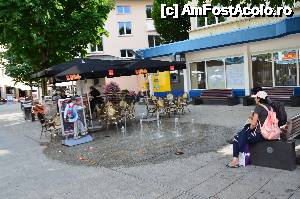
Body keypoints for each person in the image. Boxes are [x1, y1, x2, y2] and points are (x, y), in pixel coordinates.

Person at [227, 91, 271, 168]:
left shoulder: (258, 107)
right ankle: (235, 159)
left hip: (260, 134)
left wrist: (248, 129)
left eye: (256, 98)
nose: (255, 99)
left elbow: (253, 124)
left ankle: (235, 161)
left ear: (259, 99)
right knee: (240, 135)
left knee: (237, 138)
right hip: (269, 132)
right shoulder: (269, 107)